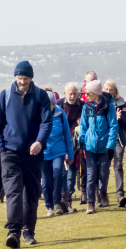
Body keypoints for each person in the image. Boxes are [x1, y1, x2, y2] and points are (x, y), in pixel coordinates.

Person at [0, 60, 52, 248]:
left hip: (33, 155)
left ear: (31, 78)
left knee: (32, 195)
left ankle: (28, 231)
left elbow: (46, 122)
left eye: (25, 78)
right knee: (13, 193)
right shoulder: (5, 95)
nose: (22, 82)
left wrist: (40, 141)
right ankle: (14, 231)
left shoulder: (41, 95)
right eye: (19, 78)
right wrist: (0, 149)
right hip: (10, 153)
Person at [79, 79, 118, 214]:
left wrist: (110, 146)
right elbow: (83, 126)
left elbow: (113, 126)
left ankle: (103, 193)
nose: (86, 95)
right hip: (89, 147)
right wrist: (81, 140)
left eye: (88, 93)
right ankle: (90, 203)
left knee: (103, 173)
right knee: (90, 175)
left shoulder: (109, 107)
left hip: (104, 147)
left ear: (95, 93)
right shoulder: (86, 107)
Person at [42, 88, 74, 217]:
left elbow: (67, 134)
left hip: (58, 151)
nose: (48, 106)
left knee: (57, 175)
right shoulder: (38, 114)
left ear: (53, 103)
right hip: (43, 153)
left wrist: (70, 154)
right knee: (46, 181)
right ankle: (49, 206)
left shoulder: (60, 114)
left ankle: (56, 204)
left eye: (50, 103)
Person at [102, 80, 126, 207]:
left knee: (118, 165)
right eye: (106, 89)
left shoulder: (122, 103)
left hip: (119, 139)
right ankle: (102, 194)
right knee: (104, 167)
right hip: (105, 139)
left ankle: (120, 194)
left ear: (115, 91)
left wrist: (120, 119)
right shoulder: (100, 104)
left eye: (111, 89)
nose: (109, 92)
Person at [57, 83, 84, 213]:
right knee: (62, 171)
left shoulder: (82, 105)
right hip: (60, 141)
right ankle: (62, 198)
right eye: (70, 93)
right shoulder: (58, 105)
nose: (73, 96)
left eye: (75, 93)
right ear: (65, 94)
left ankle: (68, 198)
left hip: (75, 142)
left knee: (72, 169)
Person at [77, 71, 97, 204]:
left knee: (97, 166)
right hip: (82, 135)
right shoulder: (80, 98)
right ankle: (84, 192)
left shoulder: (100, 96)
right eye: (89, 81)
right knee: (83, 166)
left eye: (94, 80)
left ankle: (97, 192)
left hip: (97, 137)